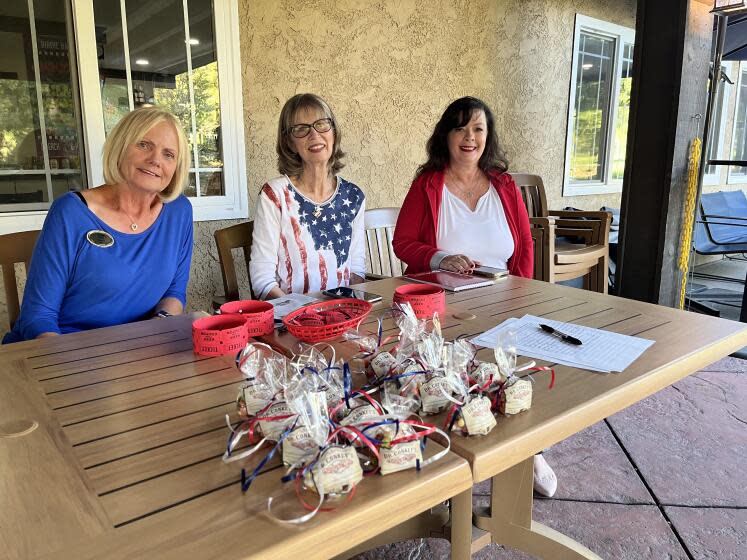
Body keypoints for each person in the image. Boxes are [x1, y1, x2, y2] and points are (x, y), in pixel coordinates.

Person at [392, 96, 556, 497]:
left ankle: (530, 450)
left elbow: (523, 247)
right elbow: (403, 243)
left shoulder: (502, 184)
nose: (470, 137)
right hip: (444, 312)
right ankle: (453, 457)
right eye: (461, 128)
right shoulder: (427, 184)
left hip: (503, 302)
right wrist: (440, 256)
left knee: (518, 372)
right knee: (455, 381)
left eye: (478, 129)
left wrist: (524, 297)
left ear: (488, 136)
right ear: (446, 135)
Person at [3, 107, 193, 343]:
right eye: (144, 144)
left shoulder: (179, 211)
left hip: (137, 353)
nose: (155, 160)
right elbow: (38, 317)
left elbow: (174, 293)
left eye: (168, 154)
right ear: (120, 148)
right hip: (59, 350)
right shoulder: (70, 213)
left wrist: (154, 334)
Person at [250, 94, 366, 300]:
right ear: (290, 142)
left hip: (342, 317)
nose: (314, 134)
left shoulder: (353, 196)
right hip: (292, 322)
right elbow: (263, 281)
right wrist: (304, 315)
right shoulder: (275, 195)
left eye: (322, 124)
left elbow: (355, 271)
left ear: (334, 132)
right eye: (301, 129)